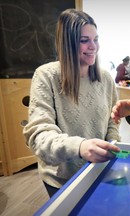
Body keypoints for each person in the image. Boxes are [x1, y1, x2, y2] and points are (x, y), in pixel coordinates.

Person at [23, 9, 121, 198]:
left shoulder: (106, 79)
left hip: (98, 171)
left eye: (96, 39)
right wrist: (80, 147)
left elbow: (111, 121)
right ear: (67, 43)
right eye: (84, 40)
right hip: (62, 180)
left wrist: (112, 143)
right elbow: (39, 136)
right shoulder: (45, 76)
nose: (93, 46)